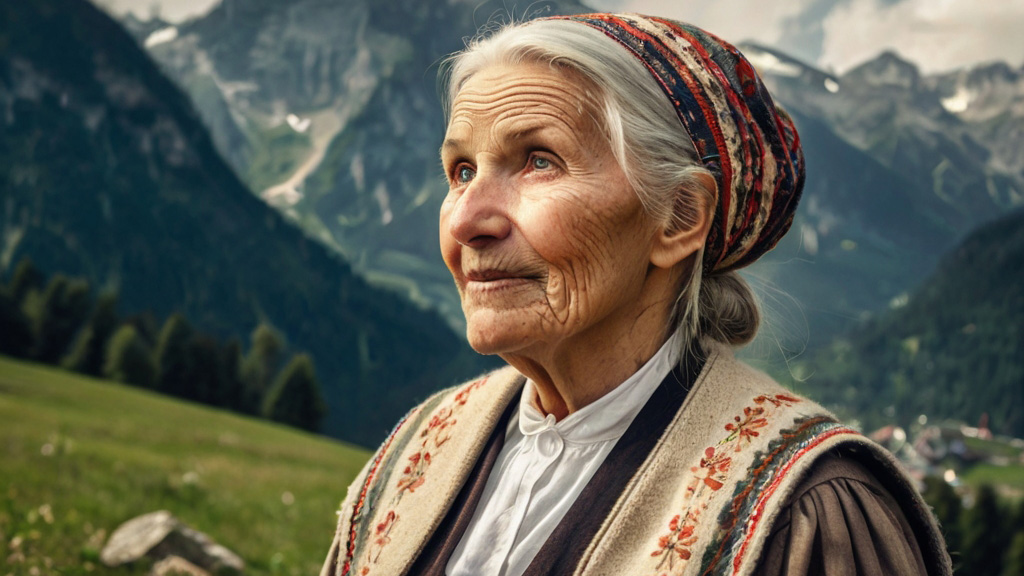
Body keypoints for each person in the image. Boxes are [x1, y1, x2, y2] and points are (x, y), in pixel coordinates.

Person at [320, 13, 952, 576]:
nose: (465, 221)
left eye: (539, 161)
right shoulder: (418, 450)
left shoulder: (805, 509)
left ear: (679, 218)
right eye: (461, 171)